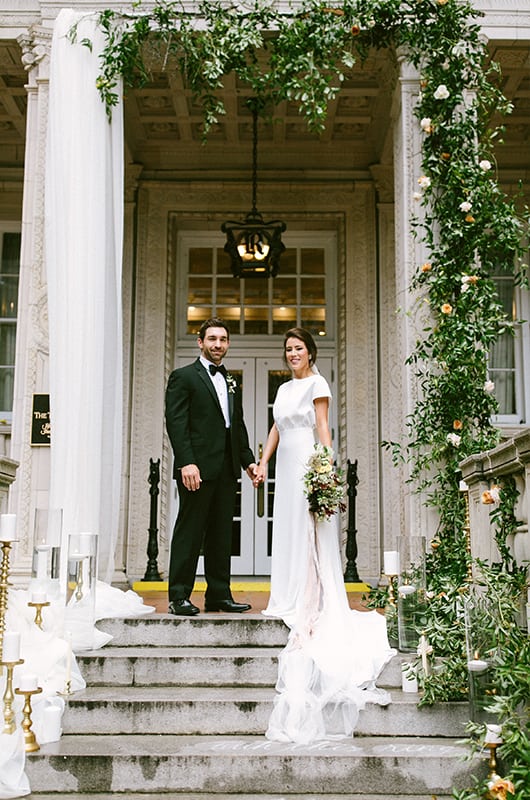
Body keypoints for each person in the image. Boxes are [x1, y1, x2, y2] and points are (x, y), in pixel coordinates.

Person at [254, 327, 394, 743]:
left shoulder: (318, 382)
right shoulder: (282, 390)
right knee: (288, 531)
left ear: (310, 352)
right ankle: (288, 592)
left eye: (298, 348)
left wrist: (326, 467)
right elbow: (277, 429)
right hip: (285, 465)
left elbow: (321, 425)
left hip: (308, 462)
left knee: (310, 531)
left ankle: (309, 595)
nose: (292, 354)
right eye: (288, 349)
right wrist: (263, 462)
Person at [165, 318, 258, 616]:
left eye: (223, 339)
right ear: (200, 342)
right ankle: (179, 595)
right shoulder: (183, 377)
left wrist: (248, 462)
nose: (218, 344)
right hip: (196, 469)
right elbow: (176, 423)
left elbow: (236, 426)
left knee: (221, 534)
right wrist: (186, 462)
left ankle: (219, 594)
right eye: (212, 339)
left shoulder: (231, 381)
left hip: (226, 470)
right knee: (190, 532)